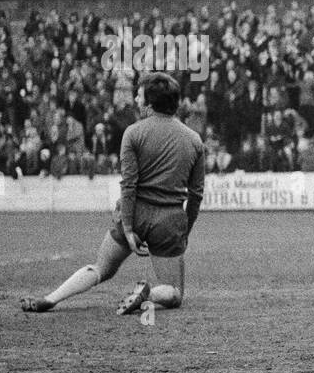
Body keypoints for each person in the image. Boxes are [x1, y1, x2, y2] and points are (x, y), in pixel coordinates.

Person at [20, 73, 206, 315]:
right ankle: (148, 294)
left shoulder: (133, 133)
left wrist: (128, 228)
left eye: (139, 96)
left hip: (135, 212)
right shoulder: (194, 140)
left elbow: (129, 185)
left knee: (100, 269)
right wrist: (185, 231)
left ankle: (51, 298)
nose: (136, 100)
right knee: (173, 292)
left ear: (149, 103)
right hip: (169, 221)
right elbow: (196, 196)